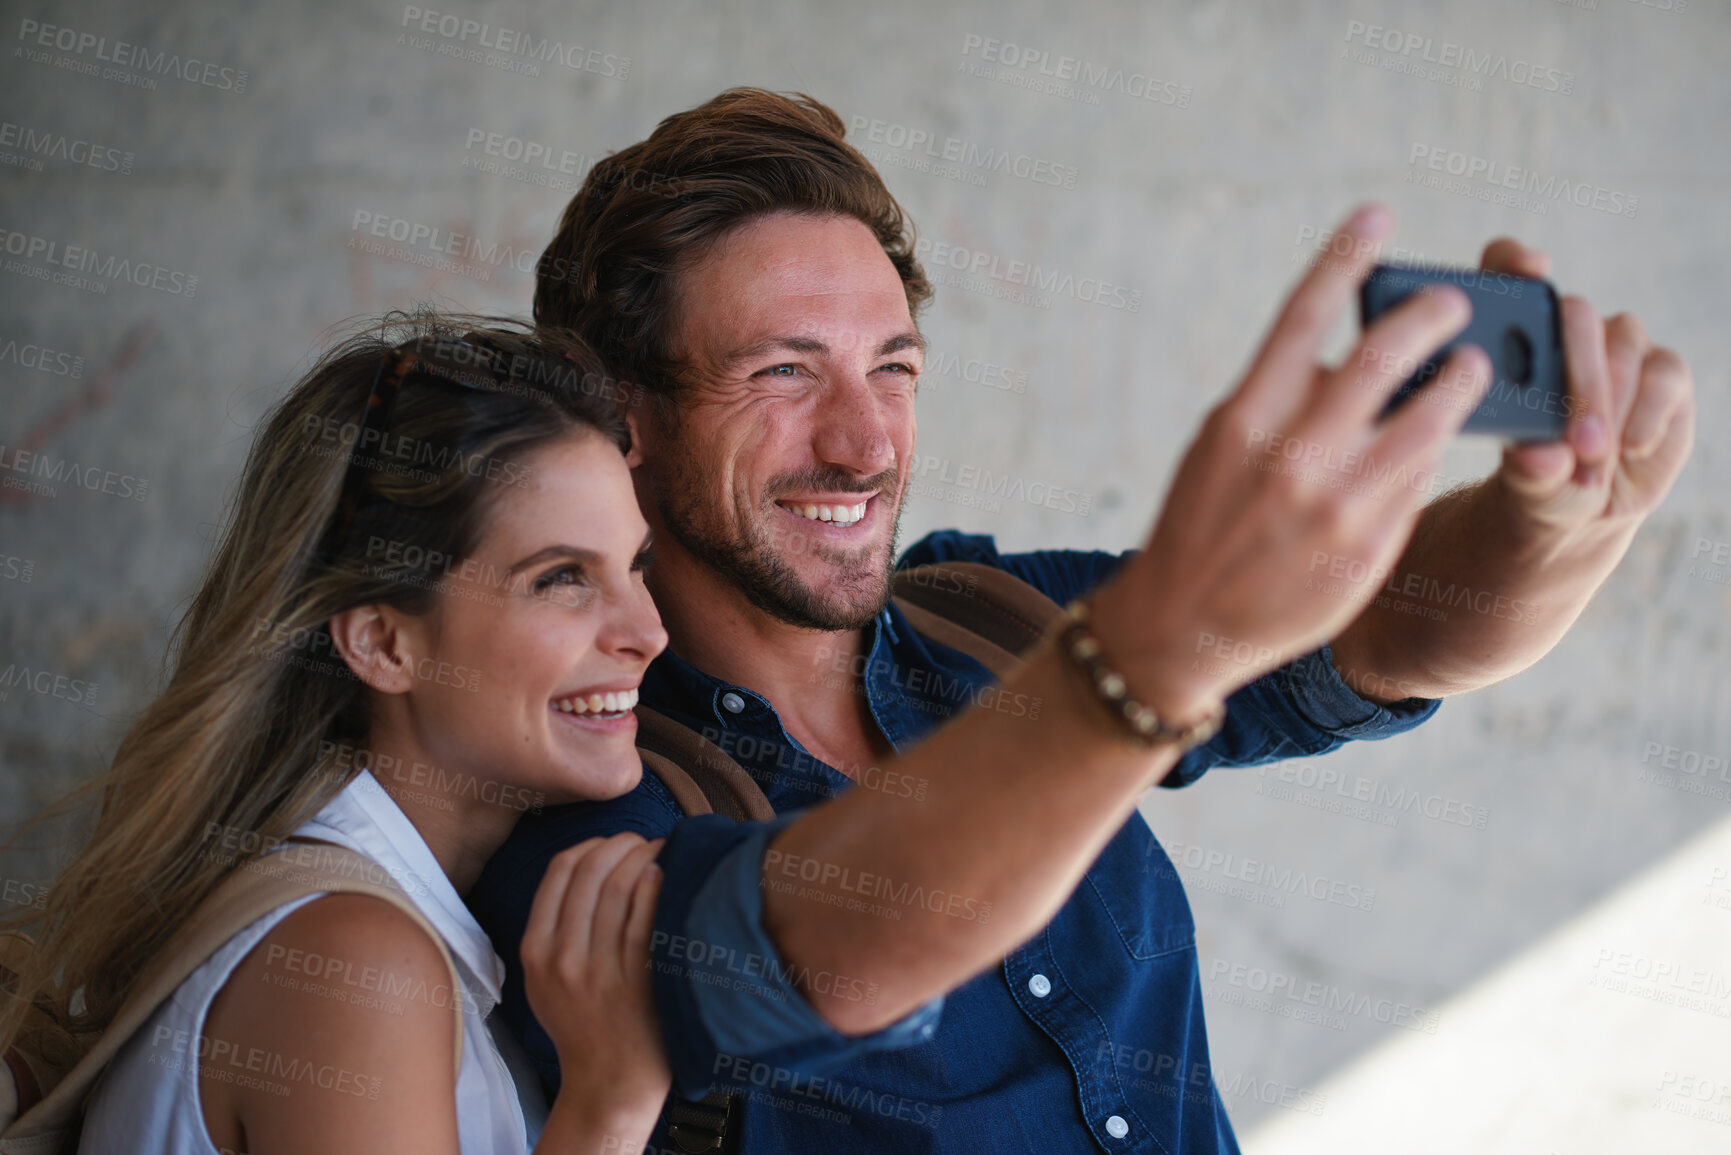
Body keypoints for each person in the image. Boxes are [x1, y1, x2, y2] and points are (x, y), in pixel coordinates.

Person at [470, 89, 1695, 1152]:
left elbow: (1396, 633)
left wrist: (1557, 514)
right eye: (785, 374)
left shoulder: (992, 619)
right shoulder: (586, 787)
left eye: (892, 370)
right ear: (622, 418)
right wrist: (1150, 654)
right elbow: (847, 940)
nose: (862, 444)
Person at [0, 318, 677, 1153]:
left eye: (635, 565)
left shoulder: (377, 920)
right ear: (382, 643)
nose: (647, 631)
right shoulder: (353, 967)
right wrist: (612, 1099)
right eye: (562, 578)